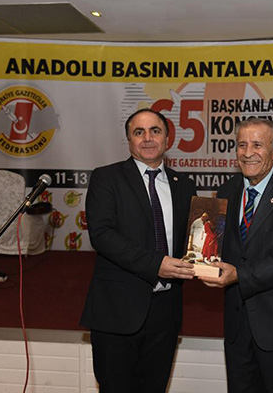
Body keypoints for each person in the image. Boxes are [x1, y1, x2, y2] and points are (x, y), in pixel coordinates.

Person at [200, 118, 273, 393]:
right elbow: (219, 245)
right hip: (237, 326)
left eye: (257, 145)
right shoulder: (226, 191)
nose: (248, 153)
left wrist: (237, 275)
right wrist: (201, 260)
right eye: (242, 145)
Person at [80, 108, 196, 393]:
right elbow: (102, 236)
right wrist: (156, 264)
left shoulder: (184, 186)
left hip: (165, 312)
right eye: (138, 132)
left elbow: (192, 241)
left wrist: (208, 259)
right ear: (129, 140)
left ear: (167, 139)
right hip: (117, 310)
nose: (147, 138)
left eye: (155, 131)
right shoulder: (106, 178)